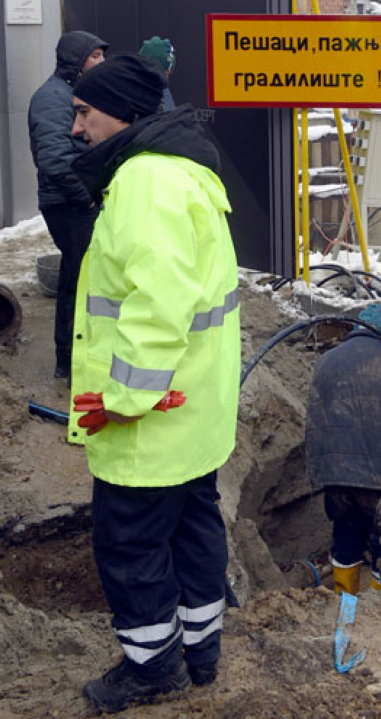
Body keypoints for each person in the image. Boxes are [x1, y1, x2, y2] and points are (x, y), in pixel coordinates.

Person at [65, 54, 241, 712]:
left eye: (85, 112)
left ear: (125, 114)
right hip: (193, 414)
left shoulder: (144, 182)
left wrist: (122, 402)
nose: (76, 128)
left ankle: (151, 666)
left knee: (130, 543)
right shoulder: (183, 172)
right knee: (194, 529)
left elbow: (156, 304)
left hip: (149, 422)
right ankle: (200, 652)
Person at [303, 303, 381, 595]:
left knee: (346, 537)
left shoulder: (325, 361)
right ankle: (378, 604)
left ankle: (344, 597)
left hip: (335, 476)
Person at [28, 30, 108, 380]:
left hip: (75, 199)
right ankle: (70, 362)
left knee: (77, 276)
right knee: (77, 280)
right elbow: (55, 160)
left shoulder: (72, 93)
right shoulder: (51, 98)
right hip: (67, 202)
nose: (101, 62)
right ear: (76, 61)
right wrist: (86, 200)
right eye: (95, 56)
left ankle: (75, 357)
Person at [138, 35, 177, 111]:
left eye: (168, 74)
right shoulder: (132, 98)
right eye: (165, 73)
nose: (166, 78)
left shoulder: (165, 94)